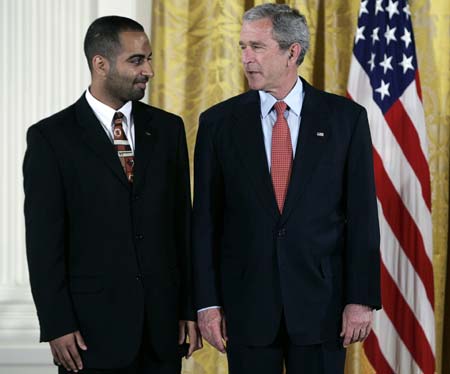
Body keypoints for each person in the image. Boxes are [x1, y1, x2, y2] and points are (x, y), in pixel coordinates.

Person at [192, 4, 381, 373]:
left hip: (322, 306)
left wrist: (360, 298)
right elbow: (205, 222)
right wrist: (206, 304)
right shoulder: (218, 123)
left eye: (257, 47)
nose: (246, 58)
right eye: (242, 47)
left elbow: (361, 216)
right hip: (246, 307)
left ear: (292, 52)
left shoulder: (345, 119)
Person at [23, 16, 201, 374]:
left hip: (163, 332)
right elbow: (44, 245)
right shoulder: (51, 138)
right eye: (136, 60)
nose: (148, 70)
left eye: (149, 58)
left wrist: (187, 309)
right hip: (91, 335)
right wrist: (57, 324)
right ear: (100, 64)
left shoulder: (168, 129)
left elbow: (182, 227)